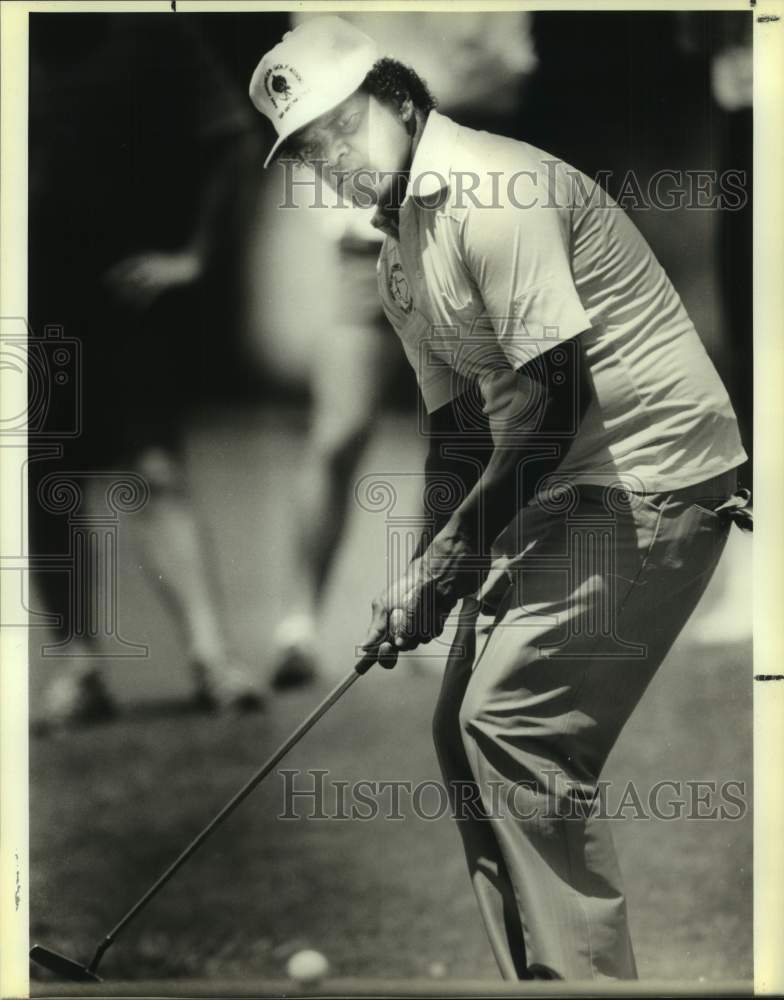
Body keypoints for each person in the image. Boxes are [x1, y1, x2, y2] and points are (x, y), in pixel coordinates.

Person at [249, 16, 751, 981]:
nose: (333, 160)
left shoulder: (489, 190)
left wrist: (448, 561)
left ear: (398, 101)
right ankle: (541, 979)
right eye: (312, 149)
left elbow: (558, 405)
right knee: (461, 727)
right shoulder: (397, 249)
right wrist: (423, 574)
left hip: (656, 475)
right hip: (571, 488)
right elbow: (460, 433)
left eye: (343, 129)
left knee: (514, 725)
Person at [269, 11, 538, 686]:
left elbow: (509, 84)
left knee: (461, 432)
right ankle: (299, 623)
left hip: (450, 225)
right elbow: (302, 91)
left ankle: (440, 606)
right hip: (365, 245)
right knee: (340, 429)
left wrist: (405, 86)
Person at [29, 15, 265, 726]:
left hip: (125, 291)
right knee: (49, 478)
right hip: (33, 296)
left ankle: (212, 657)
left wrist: (195, 253)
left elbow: (232, 139)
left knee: (155, 470)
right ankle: (79, 669)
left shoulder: (151, 33)